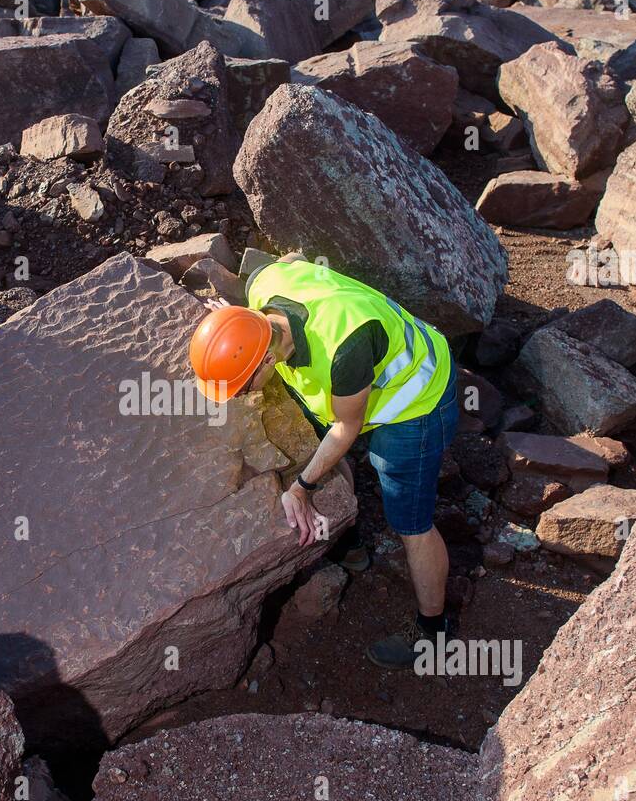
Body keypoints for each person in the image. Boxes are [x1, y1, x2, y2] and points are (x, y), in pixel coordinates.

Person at [188, 255, 459, 669]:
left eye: (242, 387)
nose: (242, 396)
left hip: (416, 401)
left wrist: (302, 488)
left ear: (264, 358)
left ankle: (433, 632)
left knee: (410, 521)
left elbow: (346, 428)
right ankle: (350, 544)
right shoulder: (262, 286)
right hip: (344, 386)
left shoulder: (343, 347)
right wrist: (234, 324)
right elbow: (290, 261)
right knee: (320, 438)